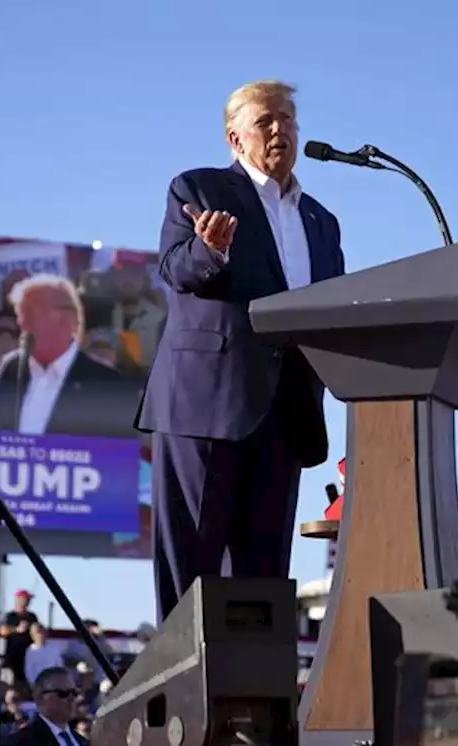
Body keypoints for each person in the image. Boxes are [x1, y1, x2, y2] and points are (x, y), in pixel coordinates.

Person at [135, 80, 345, 621]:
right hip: (207, 404)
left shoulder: (321, 220)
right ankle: (186, 692)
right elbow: (174, 269)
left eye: (288, 121)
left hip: (286, 411)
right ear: (235, 137)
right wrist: (210, 250)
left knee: (263, 579)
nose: (280, 131)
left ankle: (256, 697)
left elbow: (336, 303)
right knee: (192, 573)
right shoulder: (199, 189)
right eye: (265, 122)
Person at [0, 274, 125, 434]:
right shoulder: (11, 366)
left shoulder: (104, 382)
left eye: (31, 314)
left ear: (66, 319)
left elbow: (113, 451)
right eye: (20, 315)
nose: (22, 324)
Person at [8, 667, 85, 746]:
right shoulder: (23, 741)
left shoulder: (84, 741)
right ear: (39, 697)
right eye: (63, 693)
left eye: (74, 692)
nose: (71, 699)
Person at [0, 590, 40, 685]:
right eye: (26, 599)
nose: (28, 602)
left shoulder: (32, 617)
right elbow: (2, 630)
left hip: (28, 656)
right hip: (13, 655)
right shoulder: (10, 616)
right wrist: (17, 629)